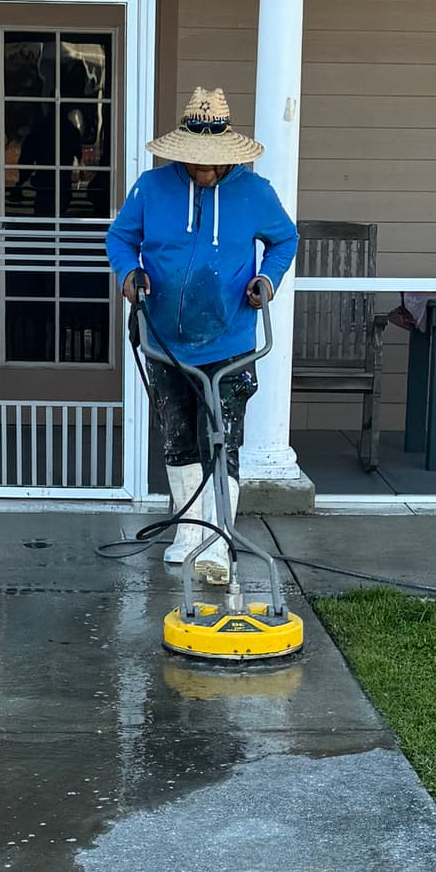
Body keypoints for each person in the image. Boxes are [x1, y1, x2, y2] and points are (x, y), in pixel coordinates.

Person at [106, 87, 298, 584]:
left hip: (231, 338)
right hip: (166, 337)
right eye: (195, 162)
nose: (204, 171)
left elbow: (285, 239)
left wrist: (267, 280)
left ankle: (219, 538)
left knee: (222, 435)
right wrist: (130, 276)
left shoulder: (255, 192)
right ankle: (189, 533)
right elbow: (120, 237)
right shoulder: (151, 188)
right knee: (178, 434)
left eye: (212, 163)